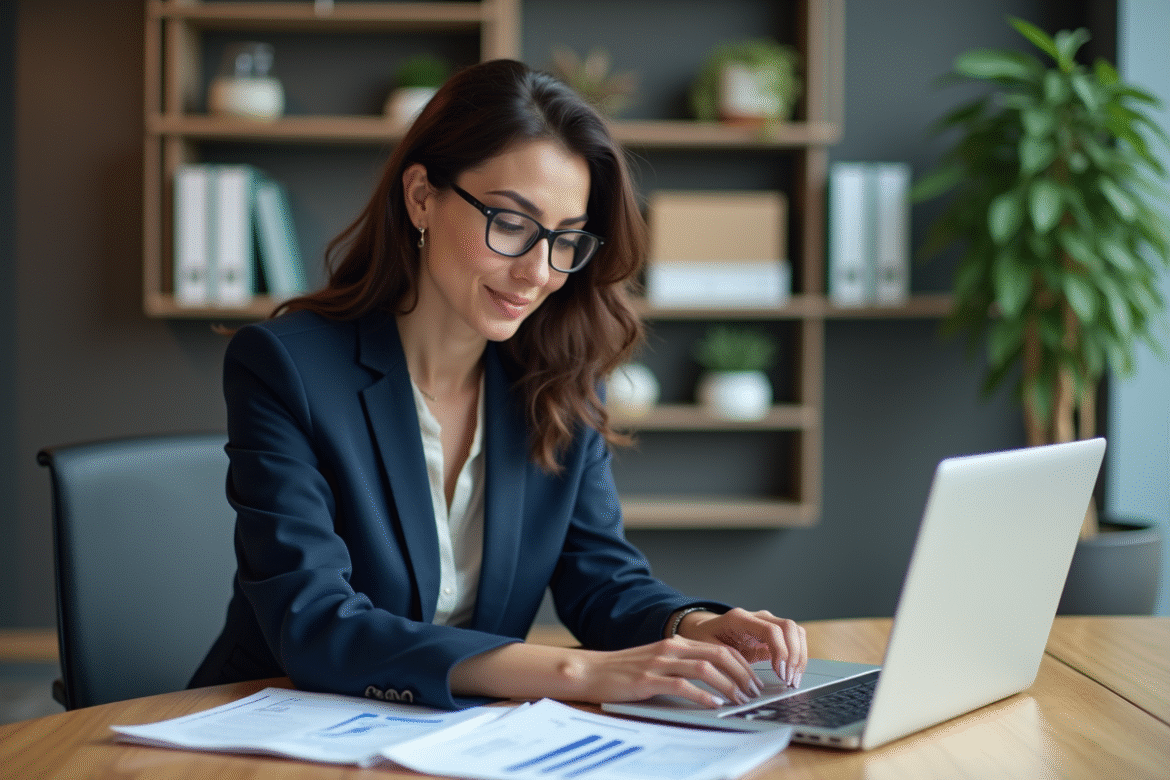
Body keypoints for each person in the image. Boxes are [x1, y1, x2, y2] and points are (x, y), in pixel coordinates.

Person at [190, 59, 807, 710]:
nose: (538, 272)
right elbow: (313, 623)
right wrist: (575, 676)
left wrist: (695, 627)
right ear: (421, 195)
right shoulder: (287, 369)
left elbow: (602, 581)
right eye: (511, 224)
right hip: (270, 725)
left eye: (567, 240)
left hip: (457, 736)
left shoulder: (558, 380)